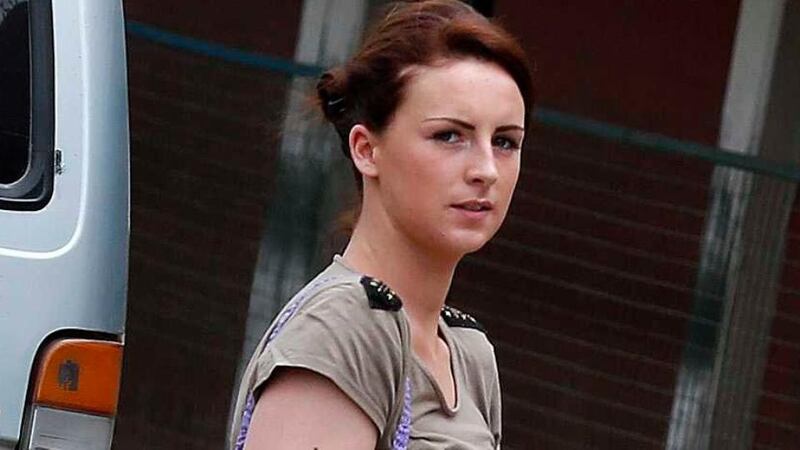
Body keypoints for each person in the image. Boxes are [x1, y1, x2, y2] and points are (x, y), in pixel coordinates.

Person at [229, 1, 533, 448]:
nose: (486, 169)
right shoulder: (341, 332)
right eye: (449, 135)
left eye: (505, 141)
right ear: (367, 150)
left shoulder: (468, 352)